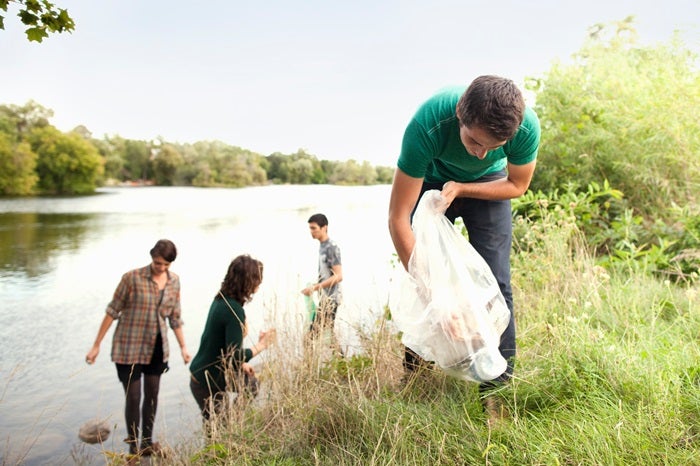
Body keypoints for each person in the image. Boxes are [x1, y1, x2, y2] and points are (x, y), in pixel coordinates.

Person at [388, 75, 540, 423]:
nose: (481, 152)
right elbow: (398, 219)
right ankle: (415, 378)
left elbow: (517, 185)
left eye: (494, 145)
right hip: (429, 178)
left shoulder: (525, 128)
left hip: (488, 184)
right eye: (473, 140)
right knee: (422, 279)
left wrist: (464, 187)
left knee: (498, 284)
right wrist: (438, 295)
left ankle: (495, 397)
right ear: (460, 115)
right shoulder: (427, 124)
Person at [85, 239, 191, 456]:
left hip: (157, 348)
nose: (160, 268)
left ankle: (147, 443)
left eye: (165, 265)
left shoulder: (174, 282)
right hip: (128, 348)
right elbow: (112, 310)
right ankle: (133, 447)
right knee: (133, 397)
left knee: (152, 395)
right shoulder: (131, 278)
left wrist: (183, 347)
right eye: (157, 263)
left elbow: (175, 317)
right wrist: (96, 345)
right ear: (152, 257)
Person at [189, 254, 276, 421]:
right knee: (219, 433)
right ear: (249, 282)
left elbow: (224, 347)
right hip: (207, 382)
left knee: (251, 385)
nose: (259, 284)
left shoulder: (222, 299)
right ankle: (232, 422)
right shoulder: (233, 310)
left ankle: (232, 422)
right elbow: (234, 356)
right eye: (257, 280)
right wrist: (262, 345)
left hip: (205, 375)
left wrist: (242, 364)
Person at [300, 213, 343, 347]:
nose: (311, 232)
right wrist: (314, 286)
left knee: (309, 339)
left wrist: (315, 287)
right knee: (329, 336)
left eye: (314, 228)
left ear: (324, 227)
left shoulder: (331, 247)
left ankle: (308, 367)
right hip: (325, 298)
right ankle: (342, 365)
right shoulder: (322, 245)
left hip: (331, 299)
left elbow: (338, 276)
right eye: (310, 229)